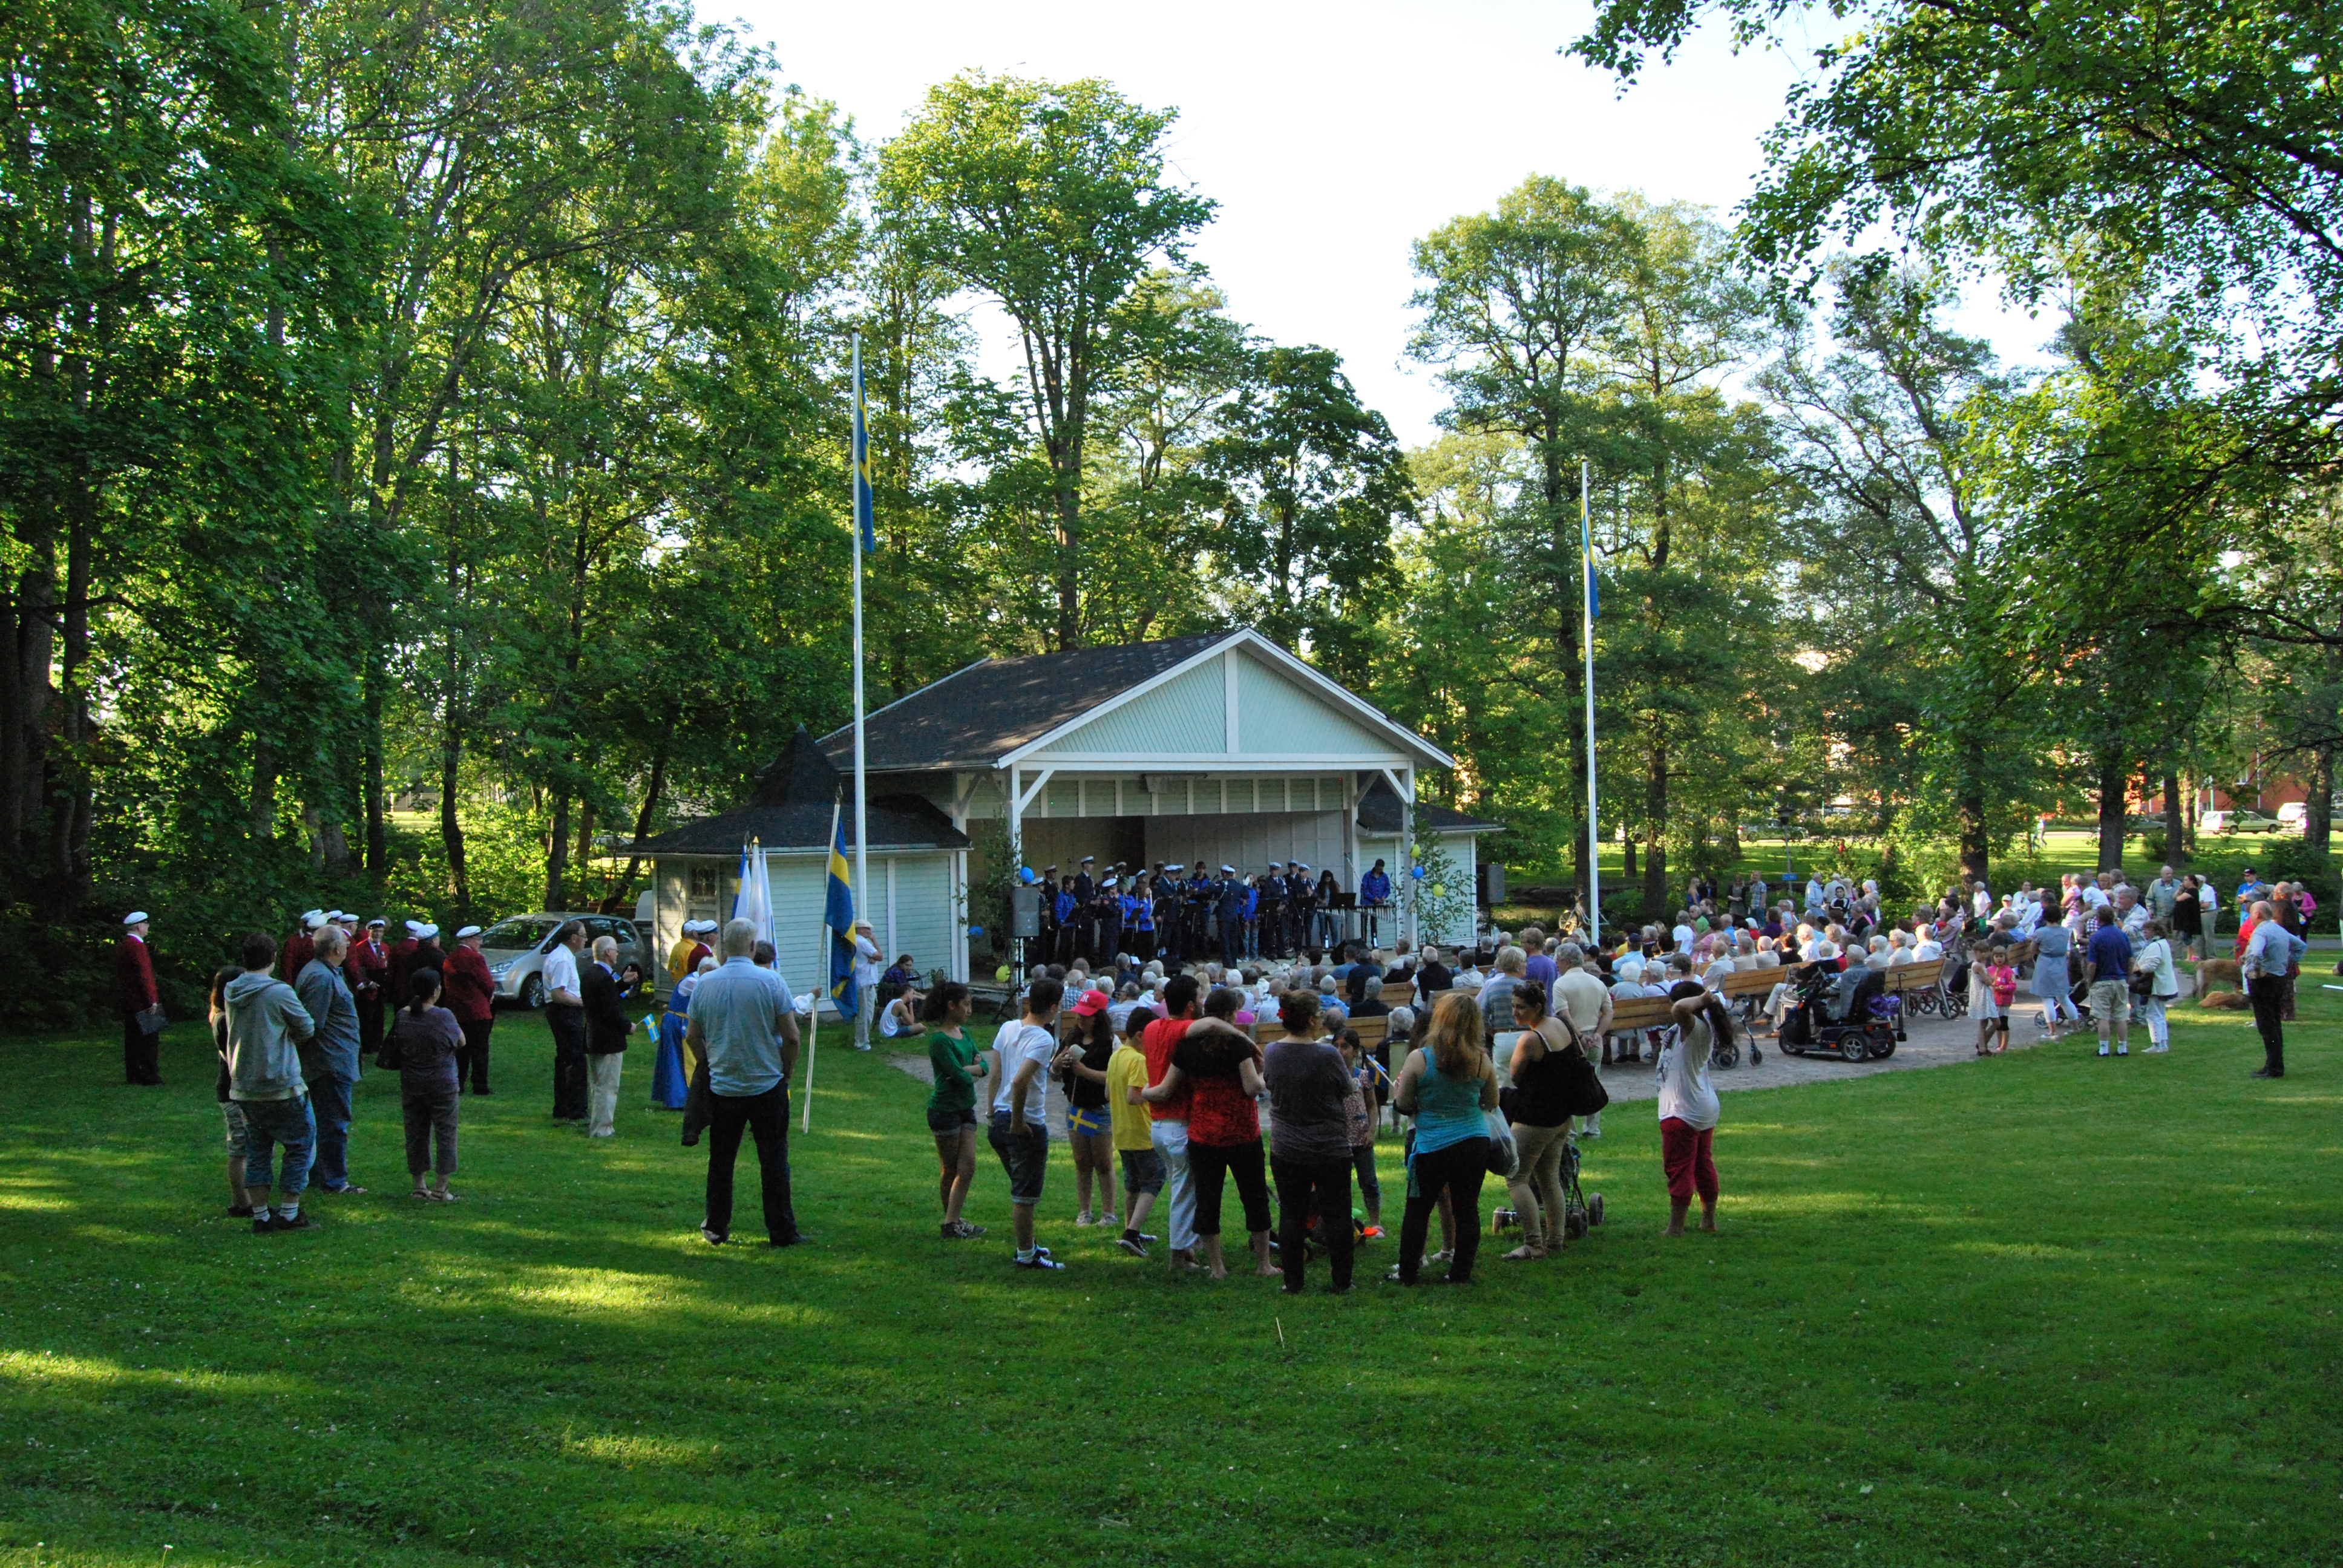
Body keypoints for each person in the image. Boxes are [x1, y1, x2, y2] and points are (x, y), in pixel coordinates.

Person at [1142, 987, 1274, 1281]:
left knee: (1207, 1199)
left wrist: (1142, 1093)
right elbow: (1253, 1088)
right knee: (1254, 1197)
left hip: (1204, 1133)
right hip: (1241, 1131)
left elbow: (1166, 1089)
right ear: (1229, 1015)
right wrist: (1265, 1074)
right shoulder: (1238, 1047)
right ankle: (1263, 1264)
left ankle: (1217, 1267)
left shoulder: (1187, 1047)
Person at [1389, 990, 1497, 1284]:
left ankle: (1408, 1272)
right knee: (1467, 1208)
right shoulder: (1481, 1060)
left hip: (1431, 1143)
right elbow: (1492, 1102)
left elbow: (1403, 1104)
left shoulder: (1420, 1058)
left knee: (1418, 1210)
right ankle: (1460, 1272)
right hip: (1473, 1139)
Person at [1260, 990, 1356, 1294]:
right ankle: (1342, 1281)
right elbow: (1347, 1089)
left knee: (1291, 1213)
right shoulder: (1327, 1055)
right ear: (1314, 1021)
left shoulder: (1273, 1051)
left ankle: (1294, 1282)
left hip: (1287, 1146)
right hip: (1330, 1146)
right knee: (1338, 1213)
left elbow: (1271, 1087)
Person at [223, 932, 318, 1233]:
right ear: (274, 958)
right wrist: (288, 1040)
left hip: (244, 1083)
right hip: (280, 1082)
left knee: (259, 1149)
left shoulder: (231, 990)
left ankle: (262, 1216)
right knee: (300, 1145)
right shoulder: (279, 992)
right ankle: (289, 1213)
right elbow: (306, 1026)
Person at [1499, 984, 1582, 1261]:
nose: (1515, 1012)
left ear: (1537, 1007)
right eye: (1513, 1006)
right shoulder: (1561, 1025)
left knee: (1516, 1178)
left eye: (1520, 1007)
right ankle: (1555, 1241)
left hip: (1535, 1118)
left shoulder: (1531, 1040)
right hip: (1561, 1117)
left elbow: (1514, 1075)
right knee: (1548, 1178)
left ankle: (1534, 1243)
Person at [990, 978, 1067, 1270]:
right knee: (1025, 1195)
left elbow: (996, 1074)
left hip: (998, 1116)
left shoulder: (1008, 1028)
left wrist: (990, 1113)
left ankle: (1030, 1244)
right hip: (1026, 1123)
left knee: (1022, 1187)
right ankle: (1026, 1254)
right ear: (1052, 1006)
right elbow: (1020, 1079)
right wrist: (1018, 1122)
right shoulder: (1044, 1038)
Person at [1139, 974, 1209, 1272]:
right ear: (1192, 1005)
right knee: (1184, 1193)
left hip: (1158, 1125)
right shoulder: (1187, 1030)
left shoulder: (1153, 1028)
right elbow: (1214, 1025)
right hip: (1180, 1123)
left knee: (1181, 1189)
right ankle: (1178, 1257)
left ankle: (1187, 1250)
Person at [295, 926, 366, 1196]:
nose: (349, 948)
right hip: (329, 1062)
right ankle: (333, 1180)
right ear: (336, 949)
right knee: (333, 1123)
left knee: (327, 1121)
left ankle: (322, 1175)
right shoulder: (320, 977)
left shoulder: (325, 973)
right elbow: (312, 1025)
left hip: (334, 1059)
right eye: (346, 944)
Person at [388, 968, 464, 1201]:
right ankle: (441, 1188)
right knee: (446, 1133)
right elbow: (461, 1041)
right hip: (442, 1083)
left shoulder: (403, 1015)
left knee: (415, 1134)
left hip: (412, 1082)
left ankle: (419, 1186)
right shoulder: (443, 1016)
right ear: (435, 990)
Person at [1659, 980, 1728, 1235]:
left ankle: (1675, 1227)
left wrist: (1704, 998)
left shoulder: (1694, 1026)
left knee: (1678, 1168)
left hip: (1683, 1109)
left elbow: (1679, 1009)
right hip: (1699, 1104)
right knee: (1701, 1164)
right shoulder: (1695, 1026)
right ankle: (1708, 1221)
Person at [922, 981, 988, 1240]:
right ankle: (952, 1222)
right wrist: (972, 1071)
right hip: (944, 1110)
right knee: (950, 1168)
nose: (970, 1010)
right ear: (951, 1007)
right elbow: (957, 1076)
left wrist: (971, 1070)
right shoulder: (939, 1041)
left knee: (968, 1166)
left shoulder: (965, 1034)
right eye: (966, 1004)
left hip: (966, 1108)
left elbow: (983, 1066)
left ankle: (953, 1220)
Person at [1059, 989, 1121, 1229]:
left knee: (1104, 1162)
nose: (1081, 1020)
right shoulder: (1072, 1037)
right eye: (1079, 1015)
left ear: (1099, 1017)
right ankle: (1084, 1211)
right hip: (1076, 1107)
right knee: (1081, 1161)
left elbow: (1114, 1078)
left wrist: (1084, 1072)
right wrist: (1059, 1064)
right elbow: (1053, 1073)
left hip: (1100, 1109)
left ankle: (1109, 1213)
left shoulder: (1111, 1043)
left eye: (1087, 1016)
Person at [1107, 1008, 1165, 1257]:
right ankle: (1132, 1232)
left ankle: (1131, 1229)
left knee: (1133, 1182)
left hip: (1122, 1132)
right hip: (1143, 1133)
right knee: (1155, 1178)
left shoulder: (1117, 1055)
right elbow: (1134, 1096)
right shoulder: (1139, 1060)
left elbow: (1109, 1094)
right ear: (1141, 1036)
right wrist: (1161, 1091)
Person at [206, 966, 255, 1217]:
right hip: (232, 1091)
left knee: (242, 1146)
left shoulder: (221, 1014)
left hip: (231, 1089)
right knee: (240, 1148)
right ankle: (243, 1202)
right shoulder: (225, 1019)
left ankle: (244, 1201)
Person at [2240, 900, 2305, 1079]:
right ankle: (2273, 1064)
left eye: (2252, 914)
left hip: (2264, 982)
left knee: (2267, 1026)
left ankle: (2275, 1068)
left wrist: (2254, 972)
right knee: (2274, 1024)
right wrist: (2289, 961)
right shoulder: (2278, 929)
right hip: (2279, 979)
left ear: (2258, 915)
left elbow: (2255, 954)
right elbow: (2301, 946)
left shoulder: (2261, 931)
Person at [582, 934, 637, 1137]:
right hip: (609, 1041)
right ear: (607, 953)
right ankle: (603, 1128)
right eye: (615, 950)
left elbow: (604, 998)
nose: (617, 953)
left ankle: (597, 1125)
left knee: (597, 1084)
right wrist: (628, 1026)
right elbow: (610, 1010)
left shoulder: (590, 974)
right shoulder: (604, 978)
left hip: (594, 1038)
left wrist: (622, 984)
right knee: (608, 1086)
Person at [440, 925, 497, 1095]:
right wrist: (489, 996)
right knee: (480, 1050)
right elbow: (487, 983)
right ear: (470, 940)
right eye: (478, 940)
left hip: (459, 1009)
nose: (480, 943)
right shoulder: (475, 958)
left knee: (461, 1050)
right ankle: (480, 1085)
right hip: (478, 1010)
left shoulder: (451, 957)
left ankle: (459, 1083)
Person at [543, 921, 589, 1120]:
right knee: (574, 1059)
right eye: (584, 936)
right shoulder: (562, 960)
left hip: (563, 1012)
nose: (586, 940)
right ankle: (574, 1109)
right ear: (574, 938)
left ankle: (563, 1107)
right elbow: (558, 994)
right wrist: (582, 1003)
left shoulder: (563, 956)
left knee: (566, 1058)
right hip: (565, 1012)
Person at [117, 911, 163, 1085]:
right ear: (139, 926)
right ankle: (149, 1075)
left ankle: (134, 1074)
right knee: (149, 1040)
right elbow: (145, 975)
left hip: (129, 1000)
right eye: (146, 924)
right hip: (142, 1001)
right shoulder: (138, 947)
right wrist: (152, 999)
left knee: (133, 1039)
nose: (148, 927)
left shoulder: (124, 945)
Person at [2083, 906, 2135, 1058]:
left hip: (2102, 980)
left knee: (2102, 1017)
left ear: (2098, 919)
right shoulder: (2122, 935)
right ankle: (2122, 1048)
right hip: (2120, 979)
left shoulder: (2096, 937)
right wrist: (2128, 975)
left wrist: (2089, 980)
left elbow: (2092, 964)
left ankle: (2104, 1049)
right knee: (2121, 1016)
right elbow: (2131, 959)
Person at [2030, 914, 2079, 1041]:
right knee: (2064, 998)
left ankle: (2052, 1031)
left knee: (2047, 999)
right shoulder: (2064, 931)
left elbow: (2033, 949)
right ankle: (2075, 1028)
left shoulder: (2041, 932)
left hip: (2045, 964)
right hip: (2060, 964)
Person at [351, 918, 390, 1063]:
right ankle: (367, 1045)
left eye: (381, 931)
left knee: (379, 1016)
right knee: (367, 1016)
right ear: (369, 932)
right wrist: (368, 983)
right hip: (368, 985)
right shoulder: (360, 948)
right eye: (375, 931)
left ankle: (377, 1044)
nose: (378, 934)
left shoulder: (385, 947)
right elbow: (358, 969)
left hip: (381, 985)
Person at [850, 921, 881, 1050]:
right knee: (866, 1014)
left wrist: (873, 959)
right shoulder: (863, 942)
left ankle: (861, 1039)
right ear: (860, 929)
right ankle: (862, 1042)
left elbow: (872, 958)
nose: (870, 932)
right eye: (867, 929)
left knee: (863, 1013)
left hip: (861, 981)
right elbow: (880, 956)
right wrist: (875, 941)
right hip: (865, 983)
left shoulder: (855, 941)